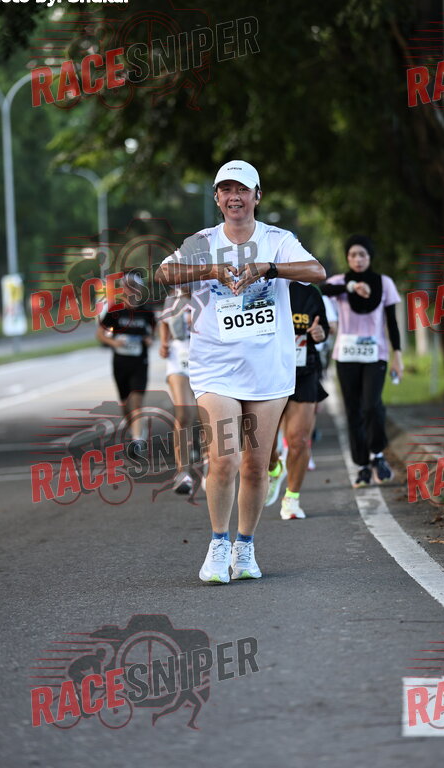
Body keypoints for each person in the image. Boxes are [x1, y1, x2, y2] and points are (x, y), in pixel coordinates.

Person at [156, 160, 325, 583]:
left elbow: (317, 272)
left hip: (268, 369)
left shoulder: (277, 240)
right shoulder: (202, 242)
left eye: (242, 189)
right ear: (217, 198)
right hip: (216, 368)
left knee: (255, 464)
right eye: (226, 190)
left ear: (256, 196)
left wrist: (268, 268)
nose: (235, 197)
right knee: (224, 459)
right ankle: (218, 545)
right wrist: (210, 269)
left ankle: (244, 547)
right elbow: (163, 273)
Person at [321, 235, 403, 488]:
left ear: (370, 257)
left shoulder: (384, 283)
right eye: (353, 255)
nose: (357, 259)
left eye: (362, 255)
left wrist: (398, 355)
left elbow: (392, 322)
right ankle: (362, 466)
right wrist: (351, 287)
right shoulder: (339, 282)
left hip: (375, 355)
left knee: (371, 405)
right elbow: (322, 290)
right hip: (346, 355)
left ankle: (377, 454)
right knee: (353, 410)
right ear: (347, 258)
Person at [265, 282, 329, 519]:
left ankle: (292, 498)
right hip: (267, 374)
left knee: (299, 439)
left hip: (303, 371)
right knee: (264, 444)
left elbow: (323, 328)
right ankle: (274, 467)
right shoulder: (261, 285)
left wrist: (320, 333)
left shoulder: (309, 291)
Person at [96, 270, 156, 450]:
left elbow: (155, 332)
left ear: (139, 290)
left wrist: (150, 339)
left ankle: (137, 441)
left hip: (140, 363)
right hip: (121, 363)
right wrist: (114, 342)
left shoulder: (146, 311)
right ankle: (135, 430)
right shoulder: (115, 311)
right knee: (125, 404)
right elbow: (100, 334)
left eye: (133, 287)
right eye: (126, 287)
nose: (129, 290)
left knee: (136, 402)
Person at [159, 289, 197, 495]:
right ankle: (184, 473)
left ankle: (212, 466)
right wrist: (164, 343)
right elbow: (164, 322)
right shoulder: (173, 297)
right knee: (183, 415)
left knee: (208, 415)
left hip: (208, 358)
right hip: (179, 357)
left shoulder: (211, 290)